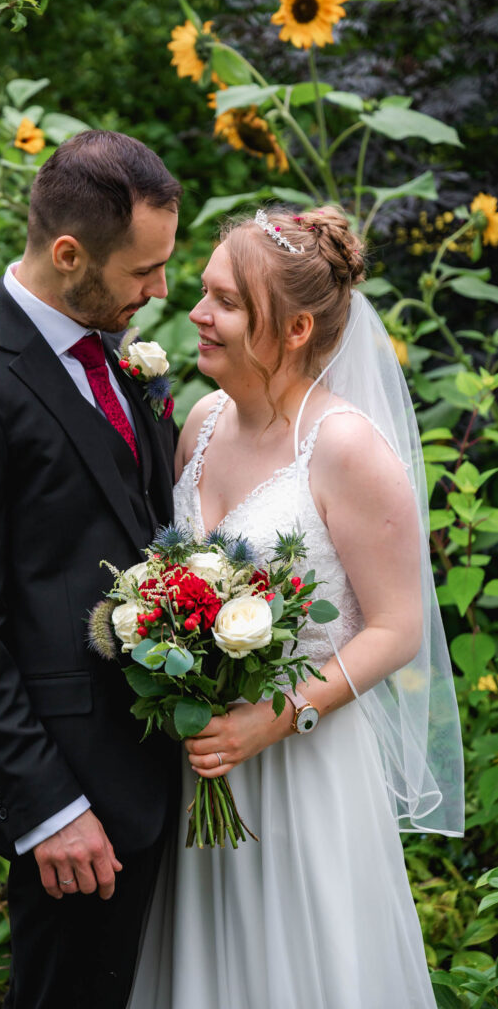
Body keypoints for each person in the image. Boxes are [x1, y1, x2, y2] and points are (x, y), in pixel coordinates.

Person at [128, 206, 463, 1008]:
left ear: (296, 327)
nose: (196, 315)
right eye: (203, 294)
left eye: (226, 302)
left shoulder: (347, 448)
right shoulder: (201, 425)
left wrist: (276, 717)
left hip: (302, 771)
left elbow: (397, 627)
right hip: (200, 768)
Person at [0, 130, 183, 1009]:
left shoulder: (121, 357)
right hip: (75, 800)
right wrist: (49, 808)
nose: (161, 290)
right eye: (143, 271)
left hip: (159, 772)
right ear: (68, 255)